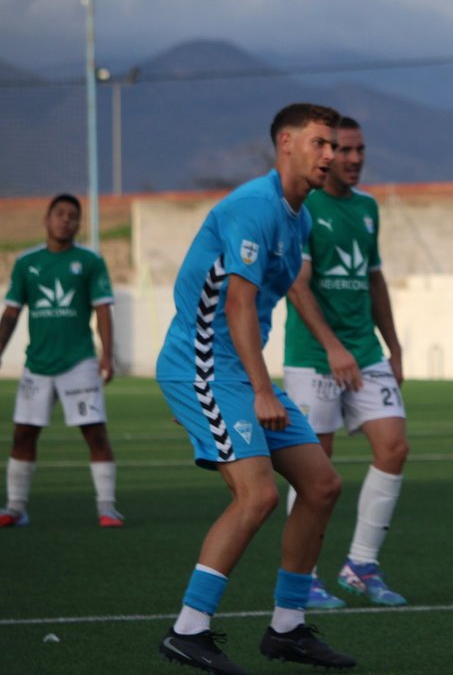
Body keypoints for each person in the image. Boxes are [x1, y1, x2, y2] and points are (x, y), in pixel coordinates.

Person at [155, 104, 356, 674]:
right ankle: (188, 631)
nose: (331, 156)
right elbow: (238, 303)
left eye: (334, 146)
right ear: (286, 143)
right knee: (259, 496)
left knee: (322, 485)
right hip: (206, 368)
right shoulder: (253, 208)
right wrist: (254, 392)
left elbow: (284, 293)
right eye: (320, 143)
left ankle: (287, 629)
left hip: (234, 376)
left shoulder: (299, 218)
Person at [283, 115, 409, 610]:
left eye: (360, 150)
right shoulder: (306, 207)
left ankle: (360, 565)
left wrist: (393, 346)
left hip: (365, 352)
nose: (354, 159)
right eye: (344, 150)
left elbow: (374, 280)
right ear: (326, 153)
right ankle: (303, 575)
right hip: (314, 357)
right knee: (316, 469)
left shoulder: (368, 208)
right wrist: (333, 347)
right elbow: (297, 284)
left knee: (394, 447)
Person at [0, 194, 121, 528]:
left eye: (72, 216)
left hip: (79, 362)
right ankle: (15, 508)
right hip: (37, 364)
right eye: (60, 214)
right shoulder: (27, 263)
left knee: (94, 433)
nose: (66, 220)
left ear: (78, 224)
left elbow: (103, 309)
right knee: (23, 435)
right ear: (47, 218)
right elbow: (11, 313)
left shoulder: (90, 261)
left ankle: (107, 508)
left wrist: (106, 355)